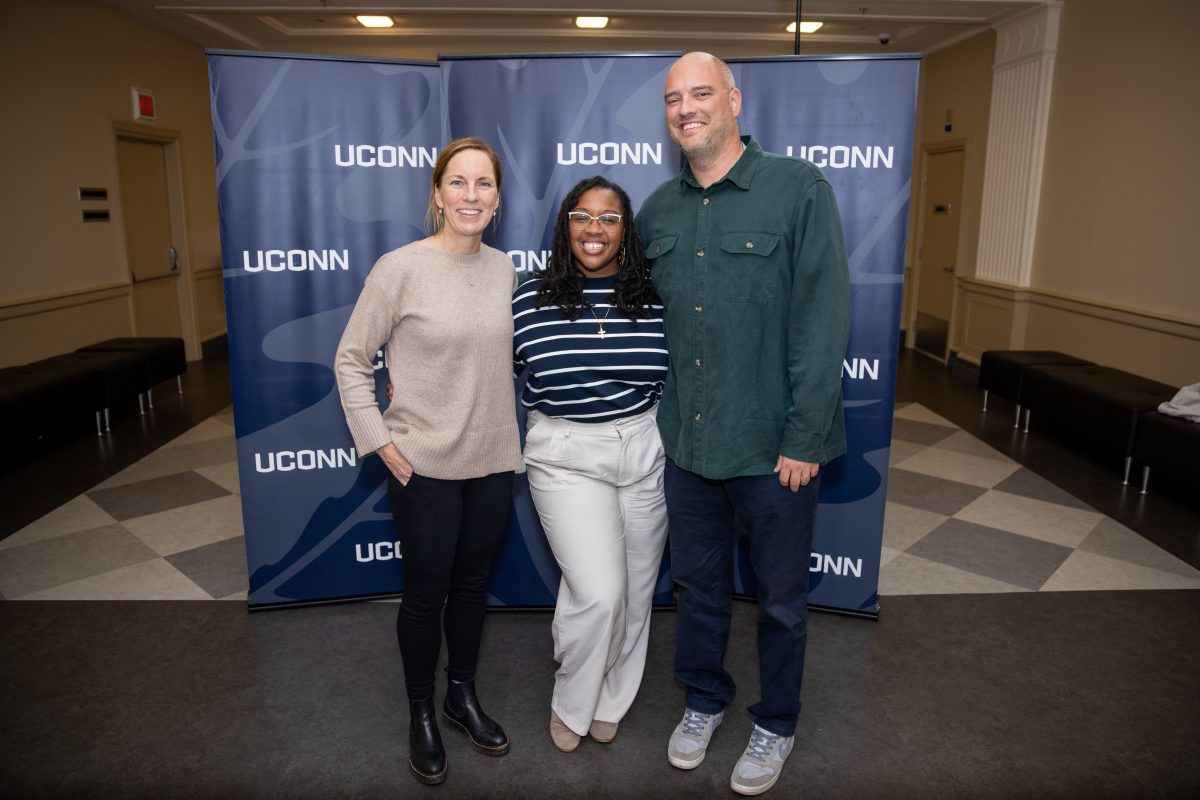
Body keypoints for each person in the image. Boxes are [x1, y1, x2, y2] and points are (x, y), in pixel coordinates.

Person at [635, 53, 851, 796]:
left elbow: (822, 321)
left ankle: (777, 721)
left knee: (783, 602)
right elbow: (626, 315)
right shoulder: (657, 210)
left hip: (772, 451)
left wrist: (804, 436)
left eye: (700, 93)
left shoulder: (798, 189)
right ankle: (702, 700)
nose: (686, 108)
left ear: (733, 100)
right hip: (688, 447)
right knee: (696, 592)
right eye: (673, 99)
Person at [334, 137, 522, 786]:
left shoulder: (505, 271)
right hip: (426, 466)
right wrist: (383, 443)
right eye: (460, 183)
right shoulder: (399, 269)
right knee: (425, 595)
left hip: (494, 460)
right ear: (438, 192)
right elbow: (352, 360)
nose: (472, 195)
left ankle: (460, 694)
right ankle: (421, 712)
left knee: (472, 588)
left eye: (485, 185)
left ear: (498, 200)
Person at [512, 176, 669, 753]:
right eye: (583, 216)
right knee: (598, 592)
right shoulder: (528, 296)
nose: (595, 229)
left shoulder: (654, 295)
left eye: (609, 218)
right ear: (565, 226)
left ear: (626, 231)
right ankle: (571, 700)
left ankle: (612, 697)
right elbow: (480, 365)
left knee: (634, 590)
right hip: (567, 453)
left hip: (645, 447)